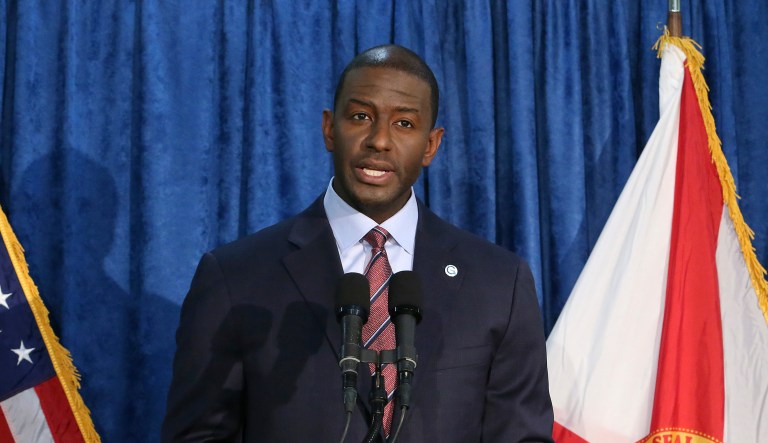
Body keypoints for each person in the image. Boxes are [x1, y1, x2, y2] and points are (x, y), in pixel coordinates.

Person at [162, 44, 553, 442]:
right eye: (361, 116)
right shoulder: (236, 277)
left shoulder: (499, 282)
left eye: (404, 124)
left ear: (431, 145)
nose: (379, 140)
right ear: (330, 128)